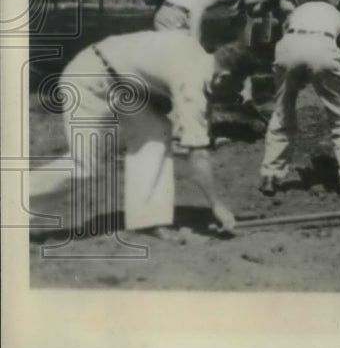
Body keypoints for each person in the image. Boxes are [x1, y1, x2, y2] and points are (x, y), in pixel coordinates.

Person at [30, 34, 255, 238]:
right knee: (83, 165)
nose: (232, 95)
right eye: (234, 88)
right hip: (88, 79)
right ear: (223, 77)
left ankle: (149, 218)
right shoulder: (191, 83)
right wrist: (216, 205)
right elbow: (197, 155)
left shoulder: (200, 55)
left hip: (121, 83)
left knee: (156, 132)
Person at [258, 0, 340, 198]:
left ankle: (270, 176)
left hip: (288, 47)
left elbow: (284, 35)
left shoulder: (297, 12)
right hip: (323, 47)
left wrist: (299, 74)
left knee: (282, 112)